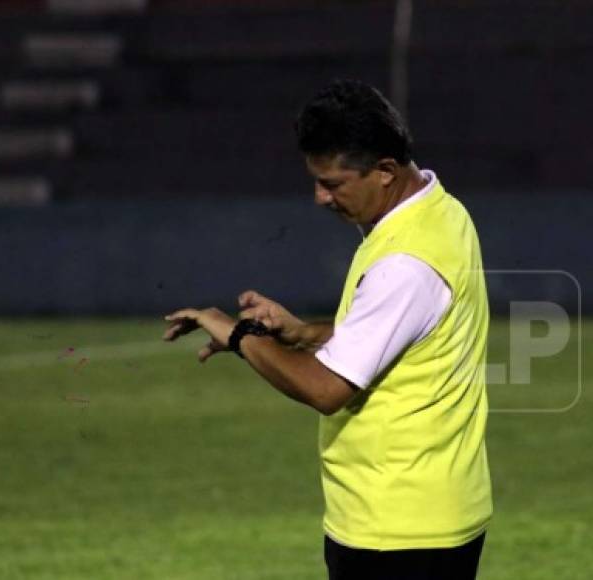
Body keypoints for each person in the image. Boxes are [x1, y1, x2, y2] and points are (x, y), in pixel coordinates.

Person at [163, 79, 492, 580]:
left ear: (384, 171)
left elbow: (324, 389)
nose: (320, 197)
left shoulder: (404, 261)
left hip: (395, 531)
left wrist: (236, 333)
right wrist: (300, 335)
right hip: (435, 511)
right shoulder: (441, 212)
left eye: (334, 183)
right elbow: (398, 334)